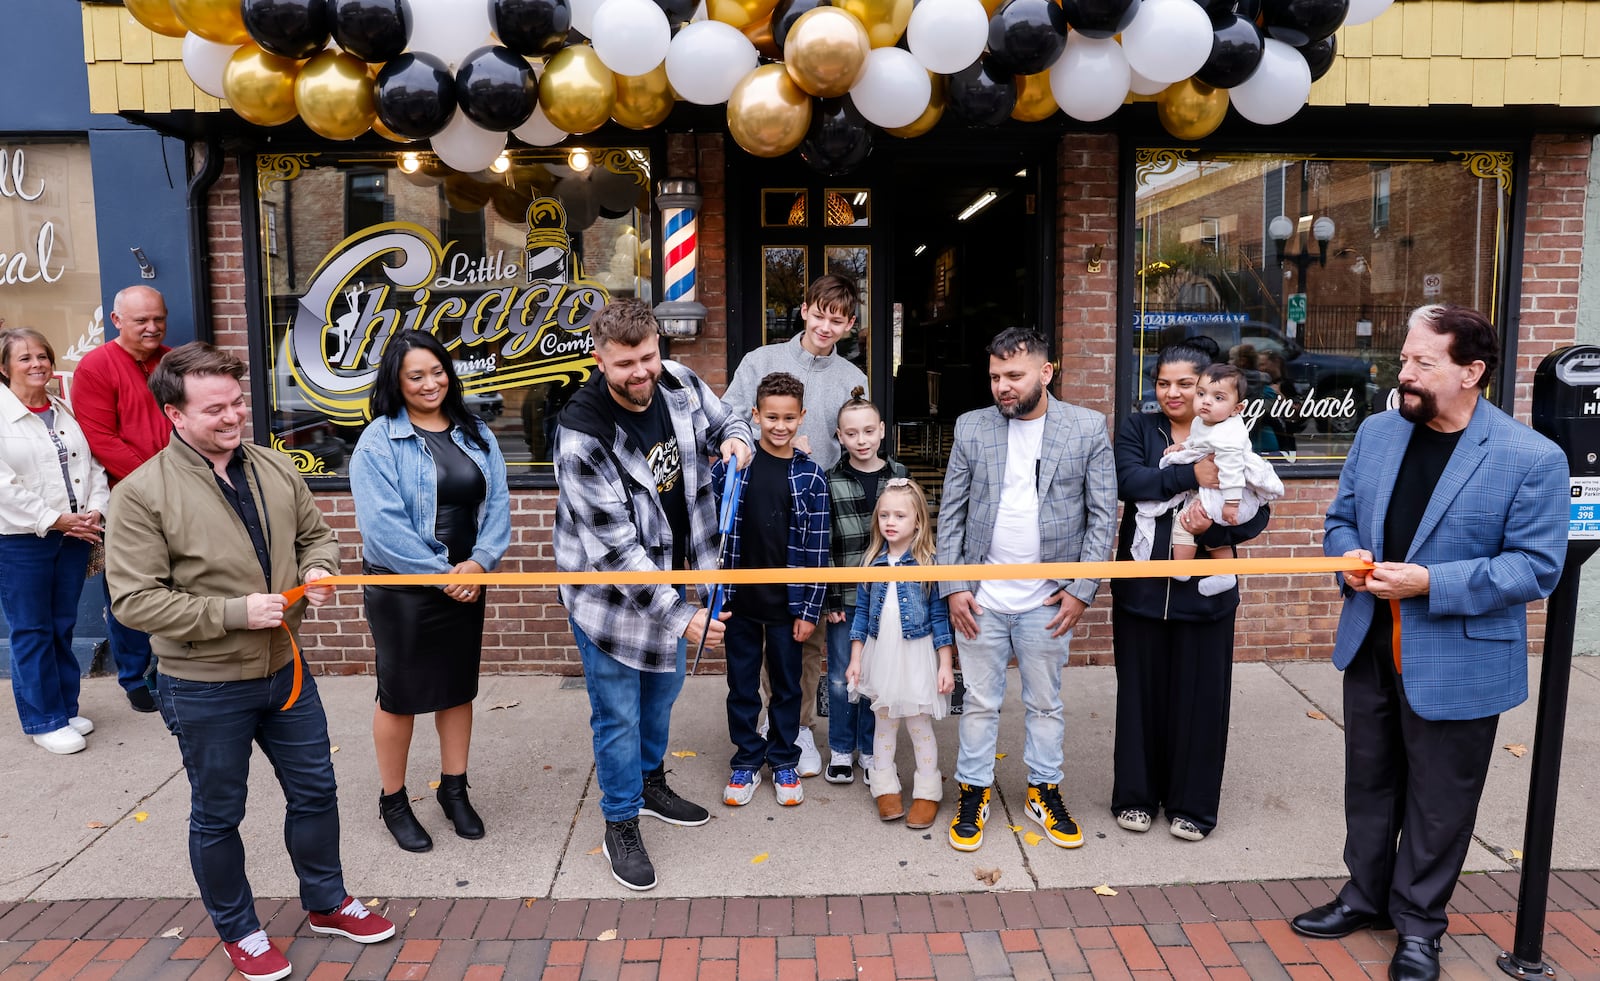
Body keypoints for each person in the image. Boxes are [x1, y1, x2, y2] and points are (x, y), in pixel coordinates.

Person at [1289, 304, 1567, 981]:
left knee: (1439, 802)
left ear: (1471, 372)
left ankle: (1418, 924)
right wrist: (1347, 555)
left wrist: (1428, 583)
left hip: (1459, 657)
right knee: (1370, 784)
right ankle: (1365, 897)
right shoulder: (1381, 432)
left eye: (1422, 363)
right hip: (1372, 645)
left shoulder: (1531, 457)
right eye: (1405, 359)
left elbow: (1535, 566)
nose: (1403, 373)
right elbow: (1342, 518)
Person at [106, 342, 395, 981]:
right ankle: (240, 930)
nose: (234, 417)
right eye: (216, 409)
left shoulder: (273, 468)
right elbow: (133, 602)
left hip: (285, 670)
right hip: (205, 683)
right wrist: (235, 613)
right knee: (218, 813)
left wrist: (319, 568)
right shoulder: (140, 494)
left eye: (238, 402)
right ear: (174, 415)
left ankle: (326, 901)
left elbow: (316, 535)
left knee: (317, 791)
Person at [554, 298, 752, 892]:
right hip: (610, 598)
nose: (640, 373)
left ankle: (649, 783)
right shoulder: (582, 439)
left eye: (648, 357)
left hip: (673, 573)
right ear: (599, 359)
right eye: (625, 365)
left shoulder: (679, 381)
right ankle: (620, 819)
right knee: (617, 712)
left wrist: (737, 441)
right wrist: (682, 616)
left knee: (662, 692)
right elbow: (616, 555)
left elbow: (728, 419)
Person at [936, 326, 1117, 853]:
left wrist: (1082, 589)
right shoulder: (972, 428)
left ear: (1046, 372)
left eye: (1014, 375)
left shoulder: (1086, 428)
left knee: (1045, 704)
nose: (1002, 387)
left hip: (1048, 599)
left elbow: (1102, 517)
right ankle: (973, 791)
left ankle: (1043, 791)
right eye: (995, 377)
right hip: (981, 599)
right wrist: (954, 586)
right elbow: (951, 514)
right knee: (979, 705)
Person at [350, 331, 511, 854]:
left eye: (437, 371)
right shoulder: (379, 440)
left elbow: (497, 509)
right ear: (396, 382)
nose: (430, 383)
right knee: (400, 697)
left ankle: (454, 790)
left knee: (456, 688)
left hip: (467, 580)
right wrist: (445, 574)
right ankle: (393, 800)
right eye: (415, 375)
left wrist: (480, 563)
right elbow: (383, 529)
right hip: (405, 589)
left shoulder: (475, 432)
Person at [1110, 343, 1272, 842]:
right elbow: (1127, 479)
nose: (1174, 393)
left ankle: (1193, 807)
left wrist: (1211, 532)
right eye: (1163, 382)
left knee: (1201, 702)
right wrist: (1190, 474)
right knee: (1139, 700)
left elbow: (1256, 510)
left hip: (1206, 594)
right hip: (1140, 592)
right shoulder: (1139, 428)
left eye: (1187, 384)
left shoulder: (1233, 434)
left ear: (1209, 389)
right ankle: (1135, 797)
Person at [724, 273, 868, 777]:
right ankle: (765, 723)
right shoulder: (760, 361)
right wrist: (762, 445)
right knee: (758, 628)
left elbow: (856, 436)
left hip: (814, 514)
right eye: (820, 314)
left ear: (850, 324)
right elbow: (729, 418)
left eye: (838, 319)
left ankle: (799, 727)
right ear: (804, 310)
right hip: (762, 502)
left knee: (802, 635)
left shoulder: (853, 378)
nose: (826, 326)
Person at [710, 371, 830, 809]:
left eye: (789, 419)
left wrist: (809, 609)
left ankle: (783, 759)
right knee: (741, 685)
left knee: (787, 685)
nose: (780, 427)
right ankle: (745, 759)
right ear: (756, 415)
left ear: (802, 419)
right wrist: (714, 597)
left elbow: (818, 550)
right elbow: (714, 535)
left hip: (788, 604)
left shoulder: (811, 478)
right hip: (740, 603)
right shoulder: (734, 469)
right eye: (771, 417)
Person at [0, 328, 110, 755]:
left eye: (43, 355)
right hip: (22, 540)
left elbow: (94, 465)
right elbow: (5, 487)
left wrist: (95, 509)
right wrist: (56, 519)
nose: (37, 364)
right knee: (31, 630)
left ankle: (64, 708)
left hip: (75, 534)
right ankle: (43, 720)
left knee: (60, 626)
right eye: (25, 358)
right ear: (5, 367)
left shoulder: (61, 410)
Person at [71, 285, 172, 713]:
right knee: (130, 591)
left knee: (182, 584)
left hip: (181, 494)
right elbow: (101, 439)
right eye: (140, 321)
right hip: (127, 502)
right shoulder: (95, 367)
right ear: (116, 321)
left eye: (158, 319)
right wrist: (160, 481)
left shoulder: (173, 360)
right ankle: (136, 678)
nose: (152, 328)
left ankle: (175, 671)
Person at [846, 477, 954, 829]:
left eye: (900, 516)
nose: (890, 522)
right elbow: (861, 615)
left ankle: (927, 790)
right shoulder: (871, 563)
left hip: (916, 655)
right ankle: (885, 785)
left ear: (918, 521)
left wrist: (945, 664)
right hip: (882, 654)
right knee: (884, 723)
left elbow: (939, 617)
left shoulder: (929, 564)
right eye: (884, 516)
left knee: (919, 724)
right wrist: (856, 658)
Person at [1135, 363, 1283, 598]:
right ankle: (1204, 571)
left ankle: (1202, 571)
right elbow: (1197, 441)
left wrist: (1232, 504)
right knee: (1197, 527)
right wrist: (1182, 446)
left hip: (1229, 491)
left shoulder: (1229, 435)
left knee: (1189, 521)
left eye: (1218, 397)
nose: (1206, 401)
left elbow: (1233, 470)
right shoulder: (1201, 421)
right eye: (1202, 393)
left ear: (1237, 408)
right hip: (1217, 486)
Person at [822, 388, 907, 784]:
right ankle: (841, 749)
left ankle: (872, 751)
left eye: (868, 432)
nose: (861, 440)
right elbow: (825, 545)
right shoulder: (829, 481)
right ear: (839, 436)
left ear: (882, 431)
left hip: (890, 596)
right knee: (842, 677)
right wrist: (831, 596)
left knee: (878, 677)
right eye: (852, 433)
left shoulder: (900, 478)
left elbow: (915, 533)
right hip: (849, 596)